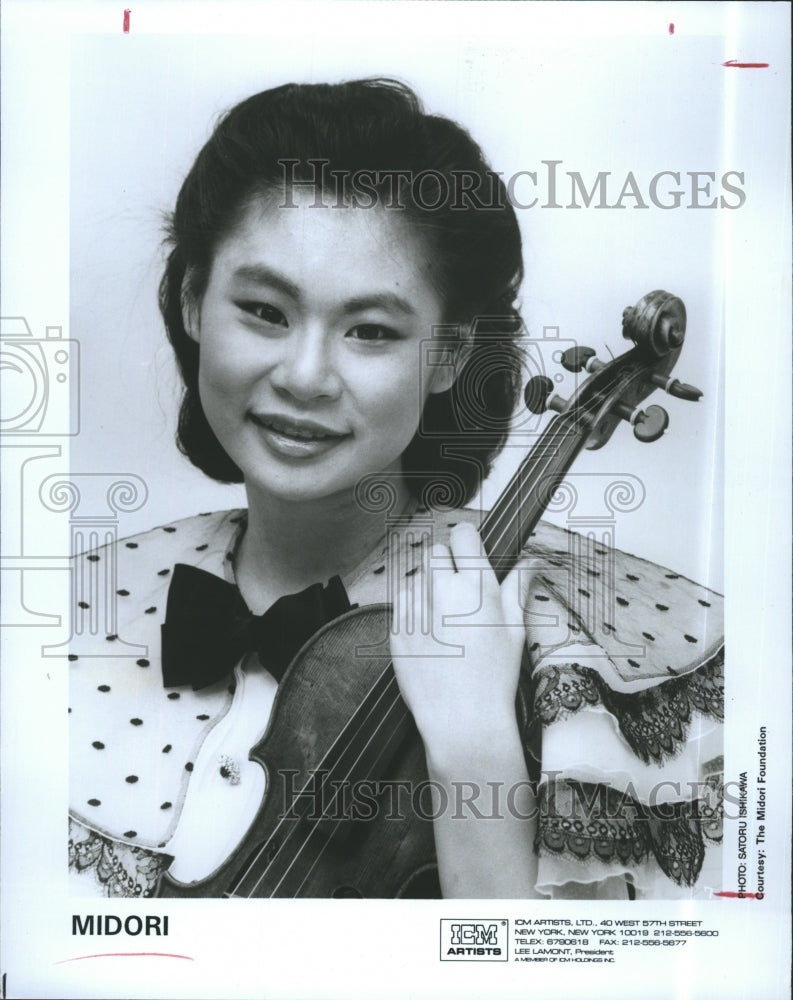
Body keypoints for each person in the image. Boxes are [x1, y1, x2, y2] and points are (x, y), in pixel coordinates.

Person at [68, 79, 724, 900]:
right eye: (264, 311)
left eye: (371, 331)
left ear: (448, 354)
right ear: (195, 303)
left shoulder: (592, 644)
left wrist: (476, 747)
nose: (303, 377)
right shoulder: (77, 607)